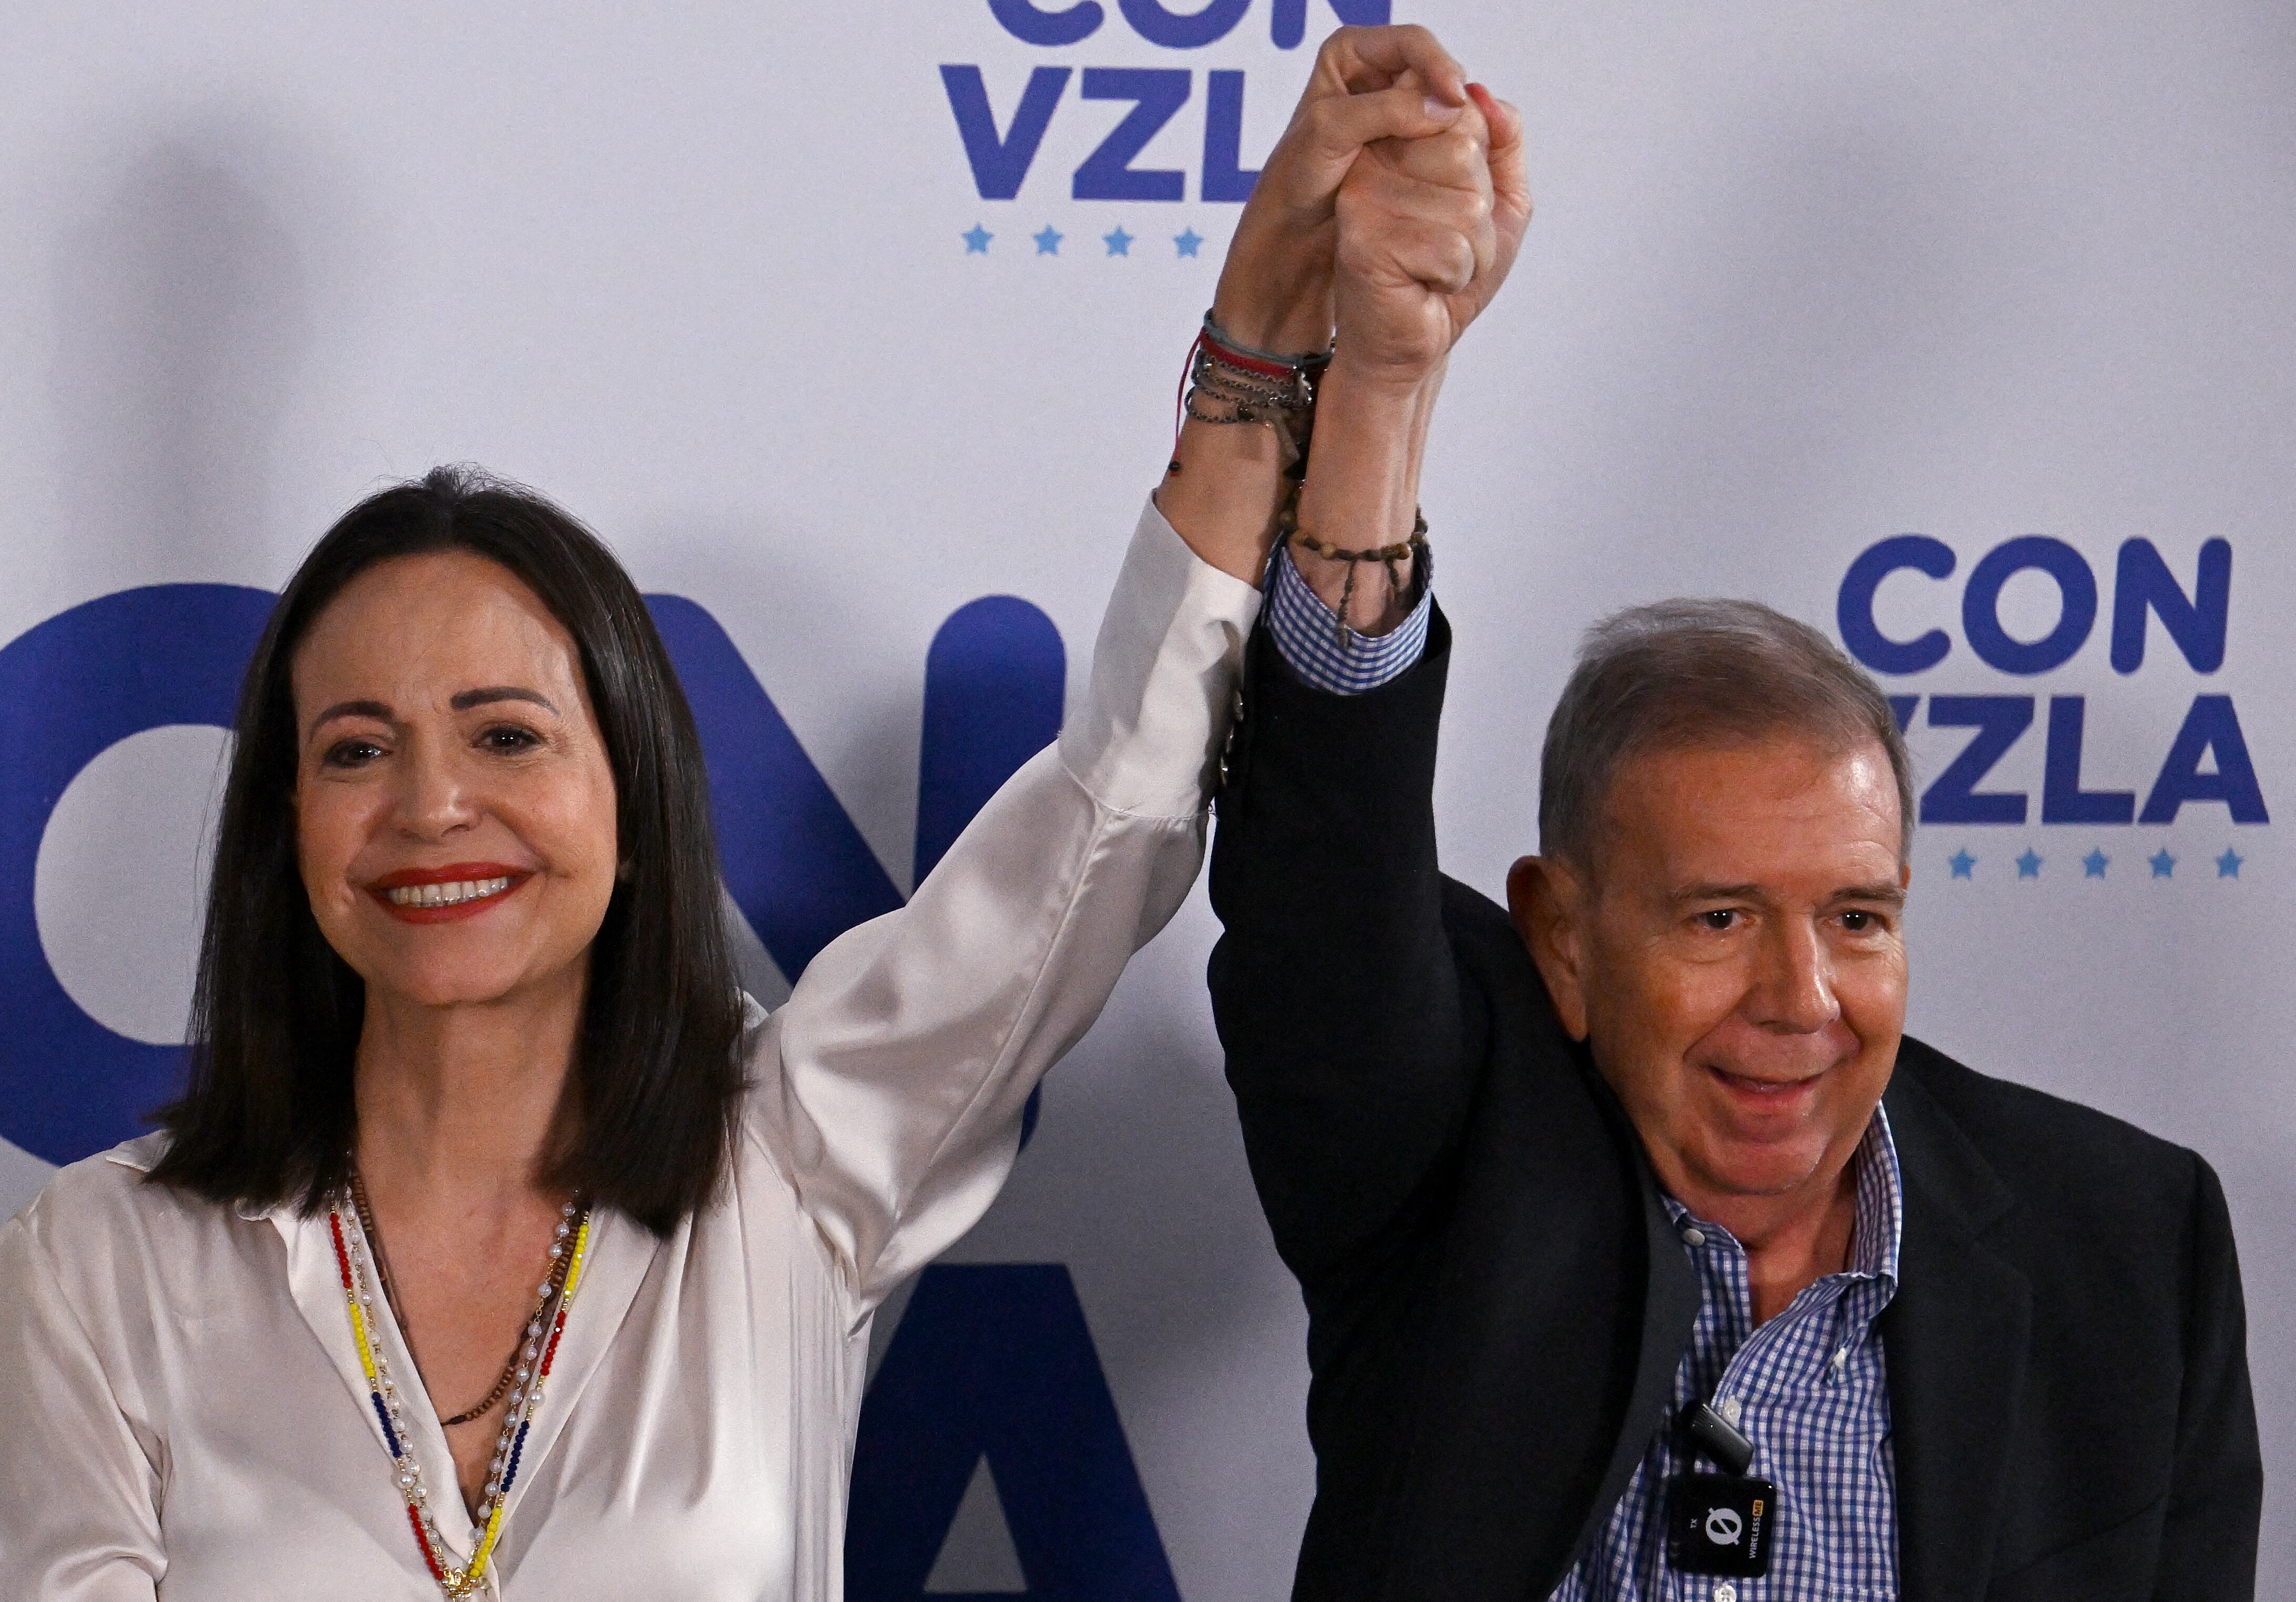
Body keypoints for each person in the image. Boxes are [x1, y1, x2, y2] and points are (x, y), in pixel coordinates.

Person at [0, 26, 1498, 1599]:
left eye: (507, 736)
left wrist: (1262, 352)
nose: (434, 807)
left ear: (633, 797)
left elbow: (1107, 823)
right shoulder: (103, 1266)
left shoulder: (791, 1163)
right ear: (284, 826)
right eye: (357, 752)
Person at [1207, 83, 2262, 1602]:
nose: (1800, 1002)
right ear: (1561, 941)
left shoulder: (2126, 1246)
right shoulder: (1451, 1159)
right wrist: (1381, 383)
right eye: (1714, 920)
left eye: (1857, 918)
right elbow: (1324, 873)